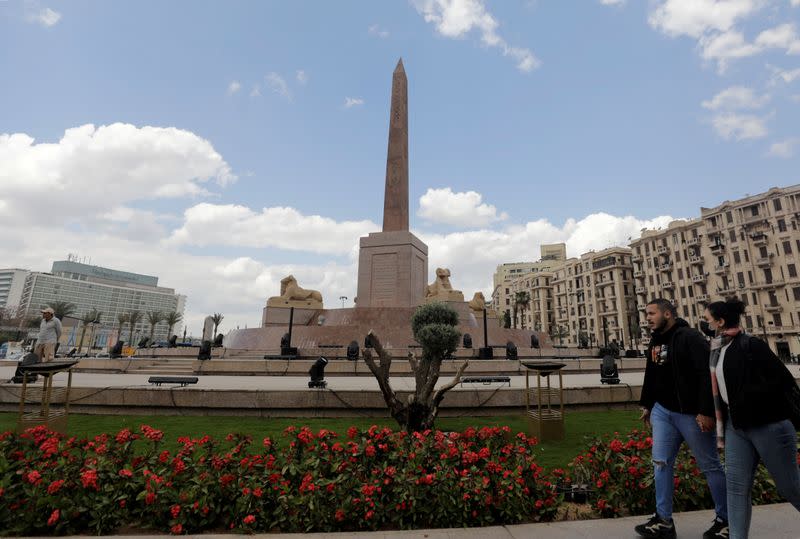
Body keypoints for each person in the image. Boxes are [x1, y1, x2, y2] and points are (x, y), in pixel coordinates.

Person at [705, 299, 800, 539]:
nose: (705, 322)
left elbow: (783, 380)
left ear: (720, 321)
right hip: (737, 427)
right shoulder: (718, 349)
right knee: (736, 488)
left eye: (707, 319)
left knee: (790, 487)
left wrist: (752, 398)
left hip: (767, 424)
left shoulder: (751, 345)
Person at [636, 298, 728, 539]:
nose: (647, 317)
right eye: (646, 314)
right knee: (661, 464)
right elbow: (653, 373)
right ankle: (663, 521)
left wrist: (706, 411)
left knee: (710, 465)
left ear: (667, 314)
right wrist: (648, 404)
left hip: (690, 414)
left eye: (652, 313)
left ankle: (727, 520)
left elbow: (706, 374)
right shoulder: (656, 341)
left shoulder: (690, 337)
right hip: (663, 412)